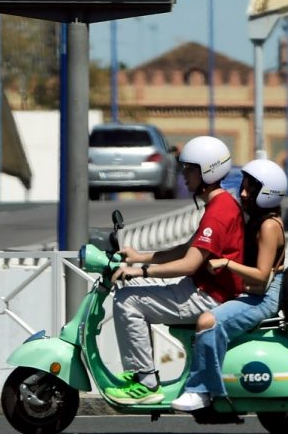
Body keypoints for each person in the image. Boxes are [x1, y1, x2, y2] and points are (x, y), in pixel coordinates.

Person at [104, 136, 245, 404]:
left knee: (127, 301)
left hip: (208, 295)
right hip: (202, 288)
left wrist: (142, 271)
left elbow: (190, 264)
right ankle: (141, 375)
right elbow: (189, 248)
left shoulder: (218, 211)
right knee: (131, 291)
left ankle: (145, 382)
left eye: (190, 169)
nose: (184, 175)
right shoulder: (219, 204)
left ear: (208, 171)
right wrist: (139, 256)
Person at [170, 159, 288, 411]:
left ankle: (201, 391)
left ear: (268, 193)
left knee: (207, 321)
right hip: (255, 293)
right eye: (243, 187)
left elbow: (260, 275)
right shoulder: (258, 220)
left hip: (264, 297)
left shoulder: (269, 226)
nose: (243, 193)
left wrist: (227, 263)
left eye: (251, 189)